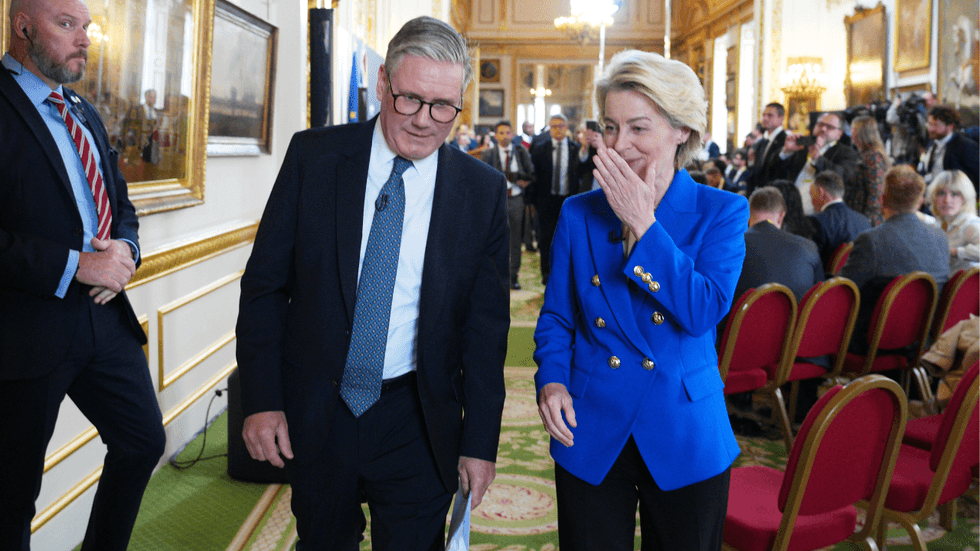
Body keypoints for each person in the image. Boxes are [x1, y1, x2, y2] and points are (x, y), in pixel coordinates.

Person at [236, 16, 510, 550]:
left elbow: (486, 333)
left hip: (418, 416)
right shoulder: (313, 158)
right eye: (410, 99)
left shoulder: (482, 192)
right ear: (383, 83)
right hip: (319, 410)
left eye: (444, 107)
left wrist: (480, 443)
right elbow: (265, 287)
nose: (426, 121)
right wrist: (263, 400)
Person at [535, 49, 748, 551]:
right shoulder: (579, 213)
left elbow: (701, 311)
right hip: (591, 422)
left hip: (683, 426)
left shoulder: (722, 211)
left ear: (681, 131)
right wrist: (551, 380)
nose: (619, 145)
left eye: (638, 128)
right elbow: (557, 317)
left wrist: (643, 225)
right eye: (610, 127)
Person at [0, 0, 166, 548]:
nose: (85, 39)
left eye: (86, 27)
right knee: (11, 496)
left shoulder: (83, 110)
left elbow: (122, 207)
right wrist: (77, 264)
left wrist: (125, 251)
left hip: (102, 319)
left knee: (142, 441)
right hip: (25, 331)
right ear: (23, 26)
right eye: (67, 24)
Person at [840, 165, 950, 354]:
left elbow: (840, 291)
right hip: (923, 343)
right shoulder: (940, 237)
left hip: (870, 346)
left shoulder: (871, 241)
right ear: (919, 202)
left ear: (882, 200)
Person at [735, 187, 824, 303]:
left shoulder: (732, 245)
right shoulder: (809, 247)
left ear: (747, 215)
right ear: (781, 216)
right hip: (796, 320)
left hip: (739, 320)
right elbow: (819, 295)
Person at [528, 113, 585, 285]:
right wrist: (531, 202)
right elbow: (533, 176)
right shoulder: (540, 148)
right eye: (554, 126)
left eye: (561, 126)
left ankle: (566, 274)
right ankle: (546, 272)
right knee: (546, 238)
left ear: (567, 128)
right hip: (546, 200)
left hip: (569, 201)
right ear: (549, 129)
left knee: (568, 238)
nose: (558, 130)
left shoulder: (576, 149)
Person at [481, 120, 535, 289]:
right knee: (494, 238)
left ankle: (513, 276)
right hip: (496, 201)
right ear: (495, 136)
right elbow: (482, 179)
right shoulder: (488, 154)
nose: (505, 136)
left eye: (508, 132)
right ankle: (496, 275)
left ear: (512, 134)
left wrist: (522, 179)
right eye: (501, 133)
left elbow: (531, 173)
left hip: (516, 199)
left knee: (515, 239)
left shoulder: (520, 151)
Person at [779, 111, 859, 215]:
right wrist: (786, 152)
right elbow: (775, 173)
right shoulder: (801, 146)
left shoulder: (846, 152)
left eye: (829, 127)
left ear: (839, 134)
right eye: (820, 124)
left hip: (821, 214)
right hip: (790, 211)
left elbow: (842, 176)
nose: (823, 129)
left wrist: (817, 158)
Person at [807, 170, 871, 268]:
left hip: (826, 282)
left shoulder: (816, 221)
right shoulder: (864, 221)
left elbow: (811, 262)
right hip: (855, 282)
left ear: (820, 192)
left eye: (811, 193)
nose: (811, 200)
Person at [927, 169, 980, 275]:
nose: (947, 200)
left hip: (962, 289)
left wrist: (954, 252)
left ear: (964, 198)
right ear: (934, 197)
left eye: (955, 194)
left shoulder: (971, 224)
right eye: (941, 193)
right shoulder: (940, 222)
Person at [920, 104, 980, 191]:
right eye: (929, 124)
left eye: (935, 125)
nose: (930, 129)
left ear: (950, 126)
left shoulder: (966, 146)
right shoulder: (932, 144)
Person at [849, 115, 890, 226]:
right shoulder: (865, 154)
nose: (851, 133)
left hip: (869, 220)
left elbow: (876, 192)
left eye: (853, 129)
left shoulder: (873, 156)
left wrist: (866, 221)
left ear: (862, 133)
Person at [746, 103, 787, 195]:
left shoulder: (785, 141)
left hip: (775, 195)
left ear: (781, 118)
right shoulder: (763, 142)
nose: (765, 118)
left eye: (770, 115)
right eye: (763, 115)